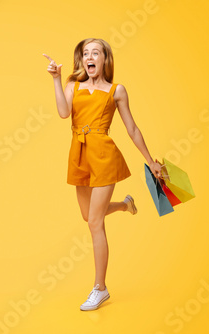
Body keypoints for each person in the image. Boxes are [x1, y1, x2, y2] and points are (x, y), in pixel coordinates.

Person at [43, 38, 163, 311]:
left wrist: (150, 161)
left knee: (94, 222)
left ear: (105, 59)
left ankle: (100, 288)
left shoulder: (116, 91)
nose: (89, 57)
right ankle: (124, 205)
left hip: (105, 156)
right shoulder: (72, 86)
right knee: (88, 215)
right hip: (80, 155)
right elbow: (64, 114)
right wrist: (56, 79)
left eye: (95, 52)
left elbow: (132, 129)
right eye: (85, 53)